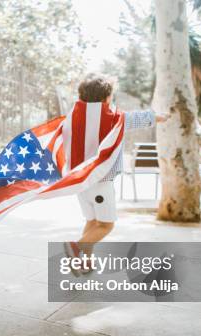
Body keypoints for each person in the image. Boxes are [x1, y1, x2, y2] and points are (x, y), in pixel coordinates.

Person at [71, 74, 169, 258]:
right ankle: (77, 248)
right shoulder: (114, 118)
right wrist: (161, 117)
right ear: (106, 98)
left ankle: (83, 260)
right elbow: (139, 118)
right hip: (101, 183)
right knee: (106, 225)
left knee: (91, 222)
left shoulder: (73, 118)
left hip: (81, 183)